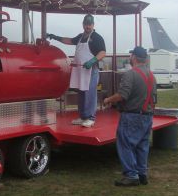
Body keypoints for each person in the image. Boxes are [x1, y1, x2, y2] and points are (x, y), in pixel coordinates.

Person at [103, 46, 157, 186]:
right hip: (147, 115)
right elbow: (154, 98)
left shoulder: (130, 74)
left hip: (132, 116)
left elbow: (122, 95)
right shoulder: (151, 75)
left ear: (133, 57)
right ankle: (142, 173)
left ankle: (131, 175)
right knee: (142, 145)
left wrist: (108, 100)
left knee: (125, 144)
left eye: (131, 55)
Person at [47, 14, 106, 127]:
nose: (87, 26)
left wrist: (92, 61)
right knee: (82, 93)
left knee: (90, 94)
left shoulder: (97, 37)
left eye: (89, 24)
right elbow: (69, 40)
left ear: (93, 25)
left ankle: (91, 118)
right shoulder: (80, 36)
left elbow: (102, 52)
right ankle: (83, 116)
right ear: (83, 25)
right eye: (85, 24)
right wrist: (55, 37)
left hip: (91, 70)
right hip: (80, 71)